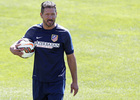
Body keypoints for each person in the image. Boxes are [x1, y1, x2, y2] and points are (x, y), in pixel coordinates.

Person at [10, 1, 78, 100]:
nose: (50, 17)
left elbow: (71, 57)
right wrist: (12, 48)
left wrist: (74, 81)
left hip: (57, 81)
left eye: (52, 14)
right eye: (47, 14)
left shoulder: (64, 33)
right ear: (41, 15)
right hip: (38, 80)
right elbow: (20, 42)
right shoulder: (34, 31)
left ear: (56, 14)